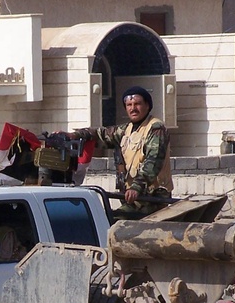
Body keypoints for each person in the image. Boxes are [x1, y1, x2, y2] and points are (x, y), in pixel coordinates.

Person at [65, 85, 172, 217]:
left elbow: (153, 161)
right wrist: (74, 135)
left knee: (112, 221)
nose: (133, 108)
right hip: (133, 198)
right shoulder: (127, 130)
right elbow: (101, 134)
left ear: (147, 106)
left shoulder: (156, 128)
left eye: (137, 104)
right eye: (129, 105)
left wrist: (136, 187)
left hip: (151, 198)